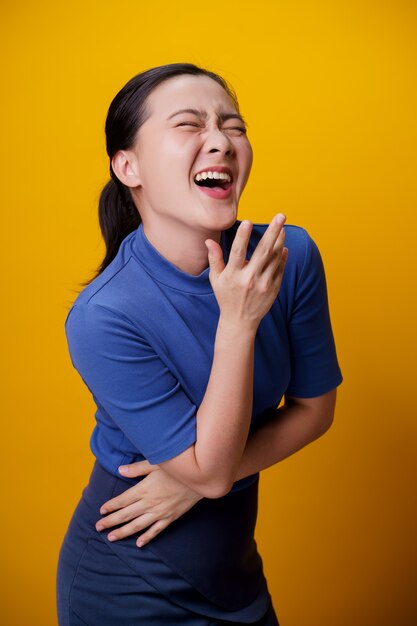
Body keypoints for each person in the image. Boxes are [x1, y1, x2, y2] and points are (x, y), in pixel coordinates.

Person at [56, 62, 343, 626]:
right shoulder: (103, 316)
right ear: (128, 166)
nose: (221, 141)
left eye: (232, 125)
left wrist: (195, 483)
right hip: (128, 581)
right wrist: (238, 322)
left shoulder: (290, 256)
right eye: (189, 125)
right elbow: (210, 473)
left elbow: (315, 410)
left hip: (235, 576)